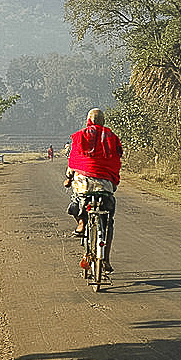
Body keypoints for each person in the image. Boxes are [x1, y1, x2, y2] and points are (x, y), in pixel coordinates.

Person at [64, 109, 123, 272]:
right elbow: (116, 160)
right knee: (108, 222)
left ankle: (81, 223)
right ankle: (106, 260)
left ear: (88, 120)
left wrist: (68, 178)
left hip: (84, 186)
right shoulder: (111, 137)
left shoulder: (80, 136)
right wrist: (113, 180)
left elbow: (73, 161)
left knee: (76, 201)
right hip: (105, 187)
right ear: (103, 121)